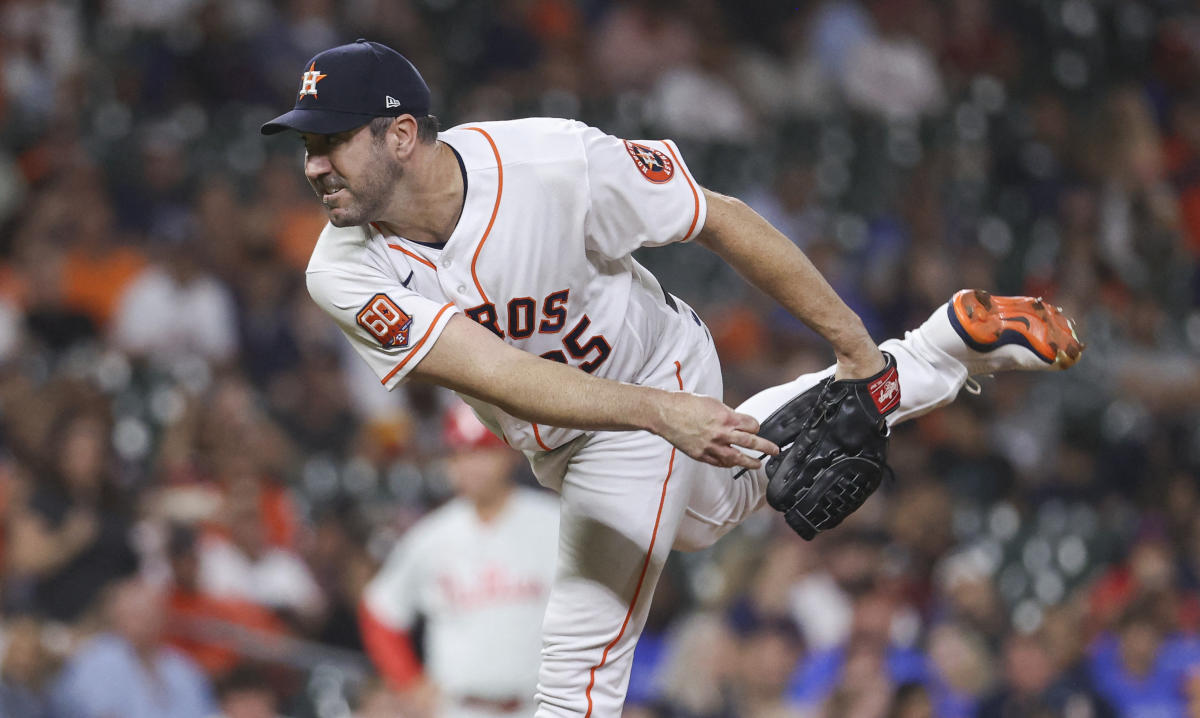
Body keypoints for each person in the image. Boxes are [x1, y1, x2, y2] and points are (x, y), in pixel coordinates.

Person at [261, 39, 1084, 717]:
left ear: (400, 135)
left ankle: (904, 362)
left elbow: (717, 218)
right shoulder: (341, 271)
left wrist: (850, 347)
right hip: (591, 419)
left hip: (653, 369)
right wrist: (683, 414)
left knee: (576, 678)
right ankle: (940, 349)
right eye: (306, 145)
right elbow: (502, 376)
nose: (314, 165)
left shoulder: (552, 162)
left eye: (329, 140)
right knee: (717, 510)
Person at [358, 400, 559, 718]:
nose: (470, 466)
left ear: (508, 454)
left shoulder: (554, 523)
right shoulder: (430, 536)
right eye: (459, 454)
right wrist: (410, 682)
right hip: (459, 708)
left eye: (482, 451)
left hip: (539, 706)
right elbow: (380, 612)